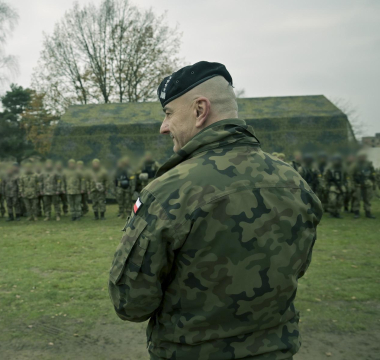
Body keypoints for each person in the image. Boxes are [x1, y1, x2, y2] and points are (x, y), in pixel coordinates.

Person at [108, 61, 322, 359]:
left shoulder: (170, 191)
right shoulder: (294, 183)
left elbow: (131, 303)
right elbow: (297, 269)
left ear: (199, 110)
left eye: (169, 113)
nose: (163, 127)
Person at [351, 151, 376, 219]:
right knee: (357, 199)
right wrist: (354, 184)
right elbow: (351, 175)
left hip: (367, 184)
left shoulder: (369, 164)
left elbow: (373, 173)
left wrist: (372, 182)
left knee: (367, 199)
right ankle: (356, 213)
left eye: (364, 157)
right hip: (358, 185)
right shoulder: (355, 165)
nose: (363, 158)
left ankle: (368, 212)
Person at [324, 154, 347, 219]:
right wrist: (326, 186)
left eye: (338, 160)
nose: (337, 161)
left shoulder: (343, 168)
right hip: (332, 186)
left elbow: (346, 177)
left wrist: (346, 185)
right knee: (332, 200)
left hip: (341, 186)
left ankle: (337, 212)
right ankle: (332, 212)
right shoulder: (329, 168)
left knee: (340, 201)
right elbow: (325, 178)